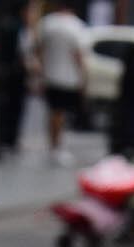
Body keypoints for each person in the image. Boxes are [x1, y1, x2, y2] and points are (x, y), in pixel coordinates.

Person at [35, 0, 88, 166]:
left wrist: (41, 72)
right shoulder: (76, 26)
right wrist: (84, 78)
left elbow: (39, 49)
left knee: (53, 112)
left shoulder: (47, 22)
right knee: (60, 113)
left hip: (50, 75)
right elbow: (79, 55)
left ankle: (53, 145)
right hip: (68, 77)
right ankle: (56, 147)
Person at [0, 1, 29, 161]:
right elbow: (22, 53)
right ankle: (8, 141)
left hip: (3, 72)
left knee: (2, 109)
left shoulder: (4, 23)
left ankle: (1, 142)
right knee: (13, 108)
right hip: (14, 74)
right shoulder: (19, 28)